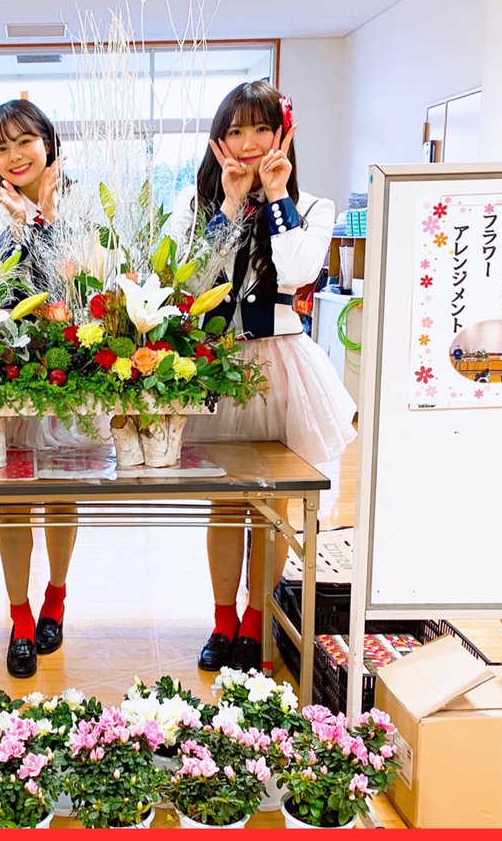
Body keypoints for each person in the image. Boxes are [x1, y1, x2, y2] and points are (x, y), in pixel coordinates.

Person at [168, 80, 355, 673]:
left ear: (282, 134)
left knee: (271, 508)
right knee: (225, 506)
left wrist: (275, 195)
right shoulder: (195, 204)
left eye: (261, 129)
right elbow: (191, 285)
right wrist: (228, 207)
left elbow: (297, 272)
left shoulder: (314, 206)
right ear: (218, 140)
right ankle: (223, 622)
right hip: (220, 369)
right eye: (235, 131)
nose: (248, 143)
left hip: (282, 366)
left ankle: (256, 622)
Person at [0, 99, 83, 678]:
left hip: (68, 368)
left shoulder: (79, 197)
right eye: (1, 147)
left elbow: (81, 283)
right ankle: (19, 616)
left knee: (62, 493)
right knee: (11, 498)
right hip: (10, 367)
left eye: (25, 142)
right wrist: (14, 230)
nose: (14, 156)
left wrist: (43, 223)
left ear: (48, 142)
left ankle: (54, 599)